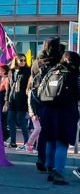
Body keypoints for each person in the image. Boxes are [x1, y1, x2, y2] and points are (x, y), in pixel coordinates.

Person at [37, 51, 80, 185]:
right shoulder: (75, 74)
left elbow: (39, 91)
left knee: (51, 140)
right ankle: (58, 172)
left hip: (48, 110)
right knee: (63, 141)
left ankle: (50, 168)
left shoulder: (51, 72)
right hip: (66, 111)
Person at [31, 38, 64, 172]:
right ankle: (52, 163)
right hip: (57, 100)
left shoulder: (36, 63)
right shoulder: (59, 61)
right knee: (55, 134)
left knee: (44, 132)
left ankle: (41, 159)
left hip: (40, 100)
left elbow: (32, 83)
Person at [6, 54, 31, 148]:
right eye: (21, 60)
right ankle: (13, 142)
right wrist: (6, 101)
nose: (23, 62)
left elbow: (29, 87)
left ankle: (27, 143)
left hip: (22, 99)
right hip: (12, 99)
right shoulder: (11, 71)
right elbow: (9, 87)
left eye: (24, 60)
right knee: (10, 119)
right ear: (16, 61)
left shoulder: (27, 71)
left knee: (20, 120)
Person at [0, 63, 11, 145]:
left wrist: (6, 103)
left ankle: (5, 136)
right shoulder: (0, 79)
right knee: (0, 120)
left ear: (4, 70)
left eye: (0, 69)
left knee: (3, 120)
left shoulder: (6, 79)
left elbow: (7, 91)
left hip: (3, 102)